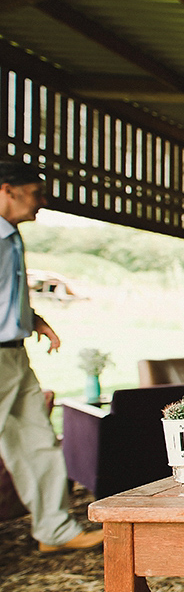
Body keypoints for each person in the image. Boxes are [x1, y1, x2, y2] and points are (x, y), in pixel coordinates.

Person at [0, 160, 102, 552]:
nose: (42, 201)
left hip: (15, 356)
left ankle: (55, 531)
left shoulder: (12, 237)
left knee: (38, 441)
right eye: (36, 192)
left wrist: (36, 319)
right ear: (8, 190)